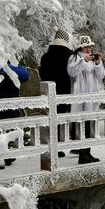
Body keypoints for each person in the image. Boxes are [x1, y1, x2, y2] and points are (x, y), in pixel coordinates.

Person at [67, 35, 105, 164]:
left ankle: (87, 153)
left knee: (89, 125)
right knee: (81, 125)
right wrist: (83, 61)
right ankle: (82, 155)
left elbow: (101, 75)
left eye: (90, 46)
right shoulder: (74, 58)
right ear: (80, 47)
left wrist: (98, 63)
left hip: (91, 95)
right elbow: (72, 72)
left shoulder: (92, 59)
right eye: (86, 47)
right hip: (79, 95)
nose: (89, 49)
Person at [0, 62, 29, 169]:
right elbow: (25, 76)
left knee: (0, 132)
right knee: (4, 132)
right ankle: (4, 156)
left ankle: (2, 156)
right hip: (8, 109)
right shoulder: (13, 69)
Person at [39, 29, 73, 158]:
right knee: (59, 120)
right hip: (65, 92)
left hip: (48, 93)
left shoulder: (45, 56)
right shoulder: (70, 56)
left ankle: (50, 146)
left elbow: (42, 74)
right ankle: (60, 146)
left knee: (50, 120)